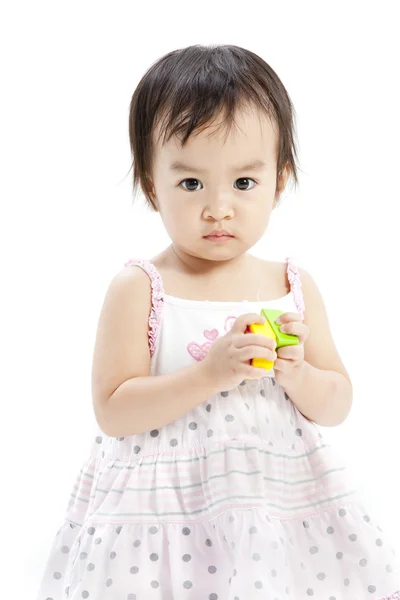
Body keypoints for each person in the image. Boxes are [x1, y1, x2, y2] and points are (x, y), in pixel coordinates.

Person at [36, 44, 400, 600]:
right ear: (152, 185)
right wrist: (207, 375)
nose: (219, 208)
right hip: (162, 515)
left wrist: (298, 374)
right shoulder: (141, 288)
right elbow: (113, 410)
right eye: (191, 184)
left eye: (244, 184)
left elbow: (338, 402)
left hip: (271, 505)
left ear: (280, 181)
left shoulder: (292, 288)